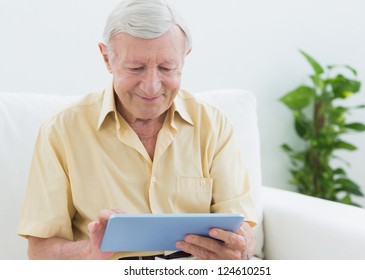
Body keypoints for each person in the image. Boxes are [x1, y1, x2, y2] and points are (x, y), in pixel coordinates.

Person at [17, 0, 257, 260]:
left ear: (183, 59)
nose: (152, 86)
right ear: (107, 58)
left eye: (166, 67)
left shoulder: (215, 126)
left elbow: (243, 234)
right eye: (136, 68)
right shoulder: (60, 132)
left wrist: (239, 248)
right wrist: (91, 251)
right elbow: (39, 252)